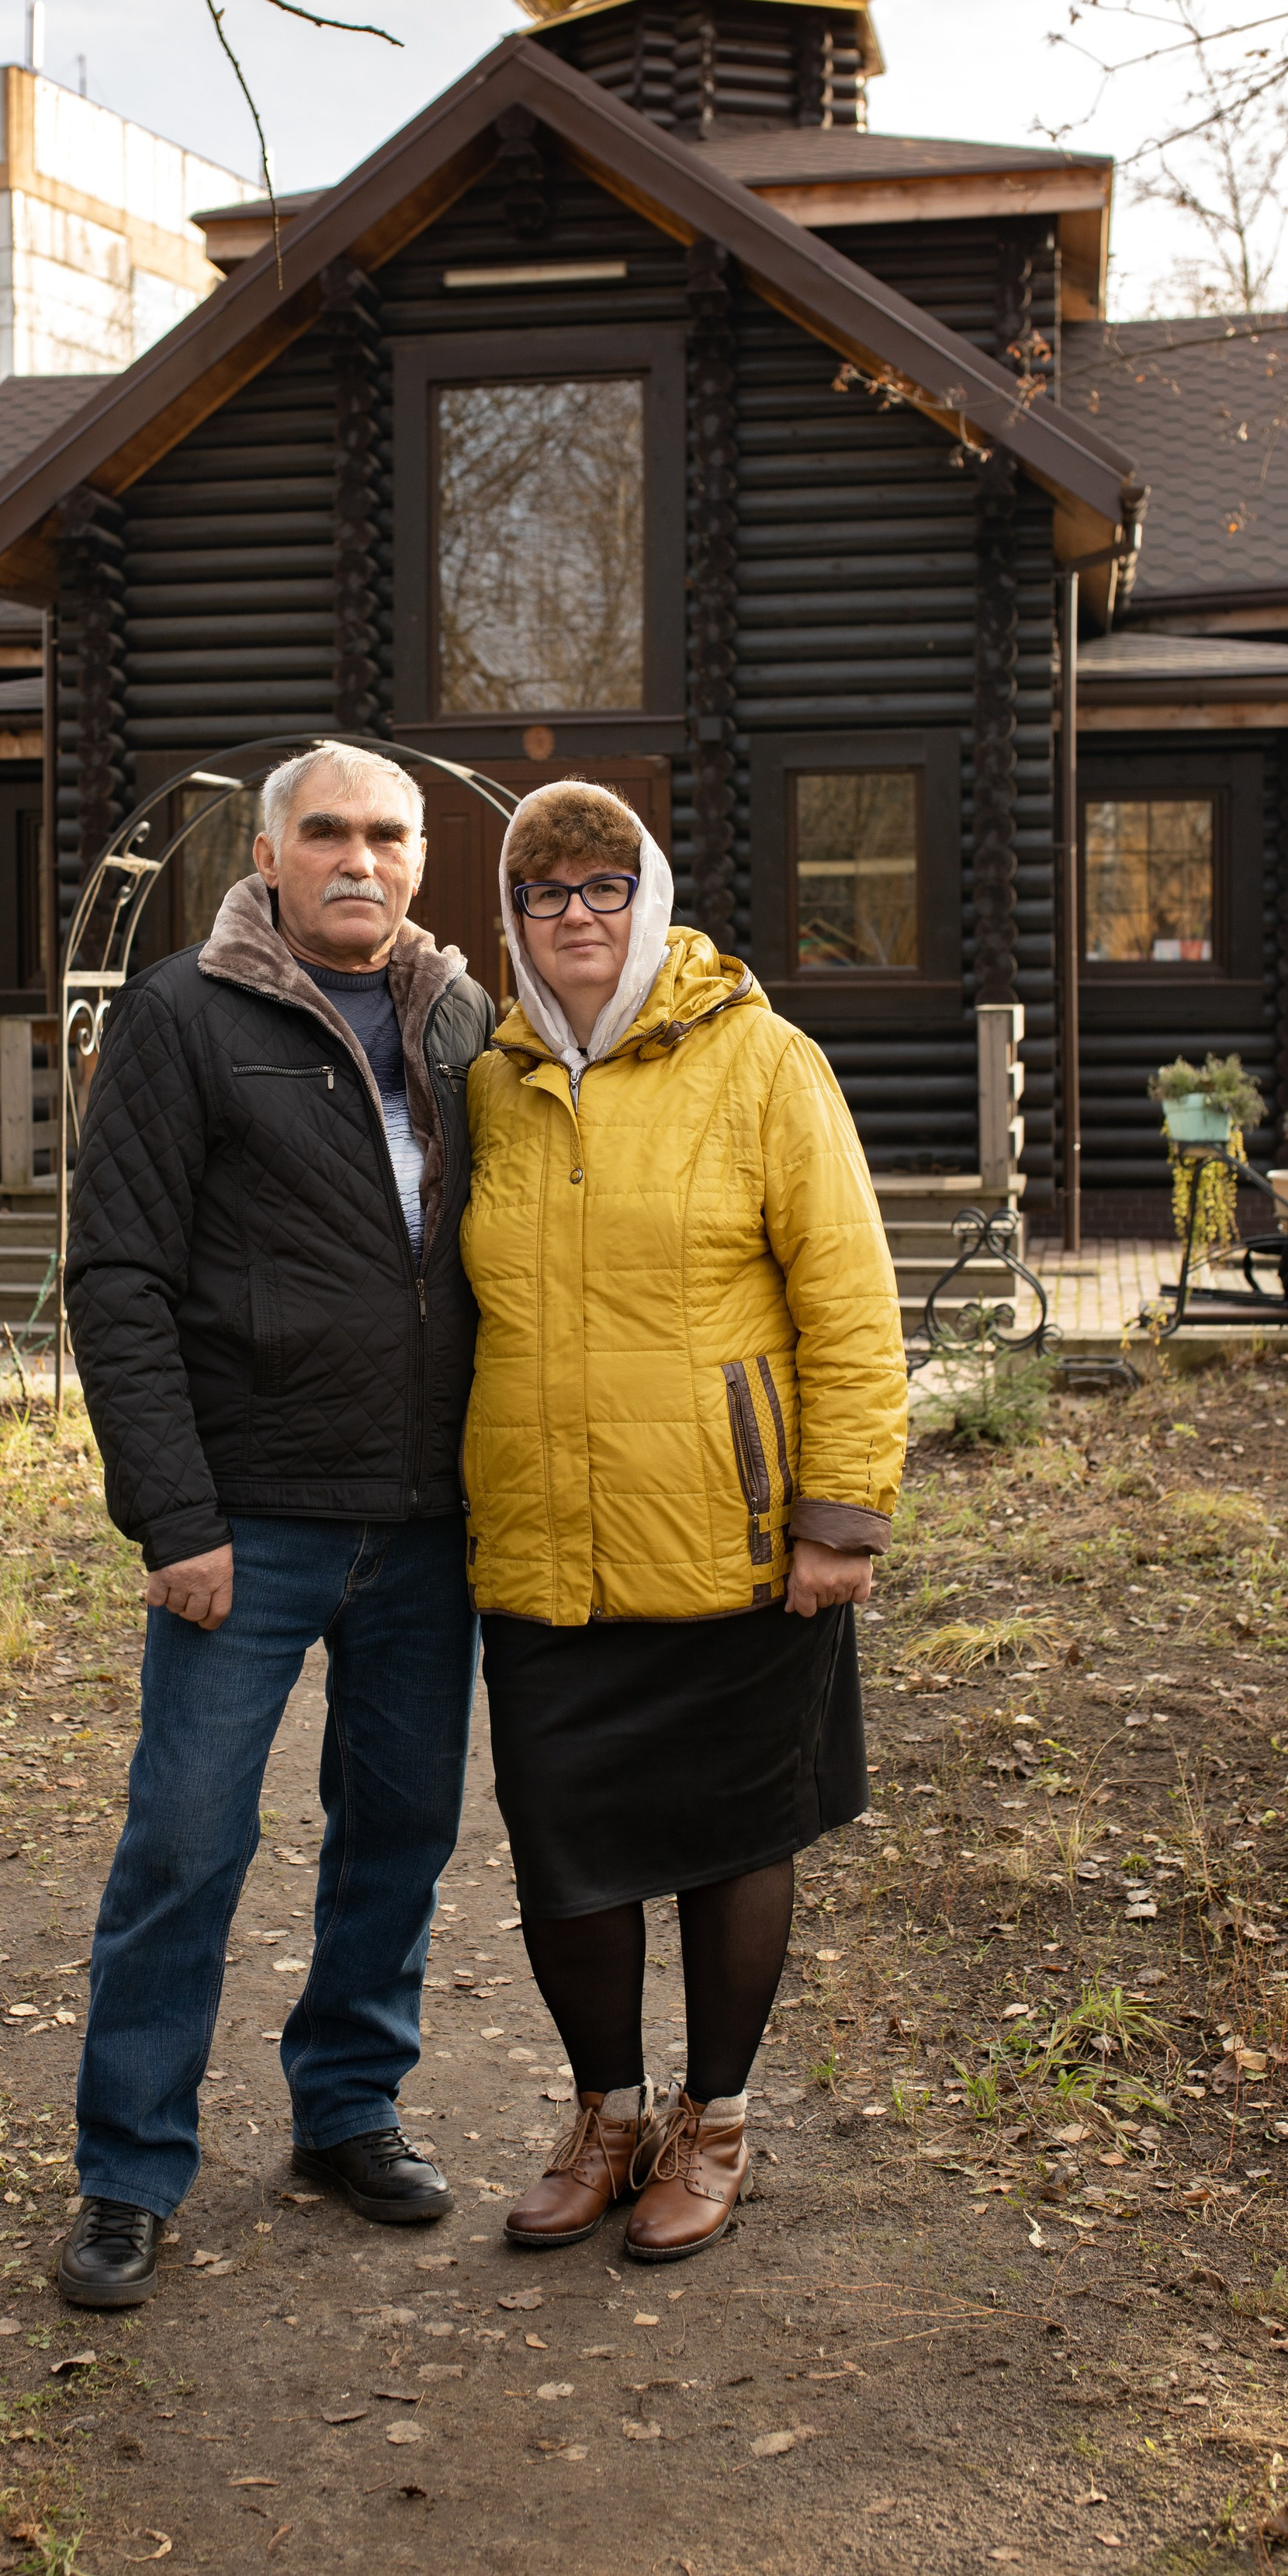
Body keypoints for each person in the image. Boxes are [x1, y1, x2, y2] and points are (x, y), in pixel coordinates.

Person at [57, 740, 495, 2310]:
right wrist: (171, 1512)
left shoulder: (461, 1018)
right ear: (267, 851)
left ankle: (347, 2112)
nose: (356, 860)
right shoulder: (182, 1015)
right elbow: (115, 1280)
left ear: (420, 860)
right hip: (245, 1518)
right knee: (184, 1840)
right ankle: (127, 2172)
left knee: (401, 1833)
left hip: (428, 1521)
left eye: (385, 835)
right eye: (327, 834)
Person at [460, 780, 906, 2264]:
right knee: (564, 1857)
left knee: (731, 1845)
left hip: (730, 1540)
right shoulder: (490, 1076)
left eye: (601, 888)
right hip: (544, 1548)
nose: (575, 917)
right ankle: (608, 2115)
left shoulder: (764, 1061)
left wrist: (836, 1517)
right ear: (513, 922)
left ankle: (714, 2122)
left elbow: (848, 1296)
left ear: (647, 899)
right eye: (546, 895)